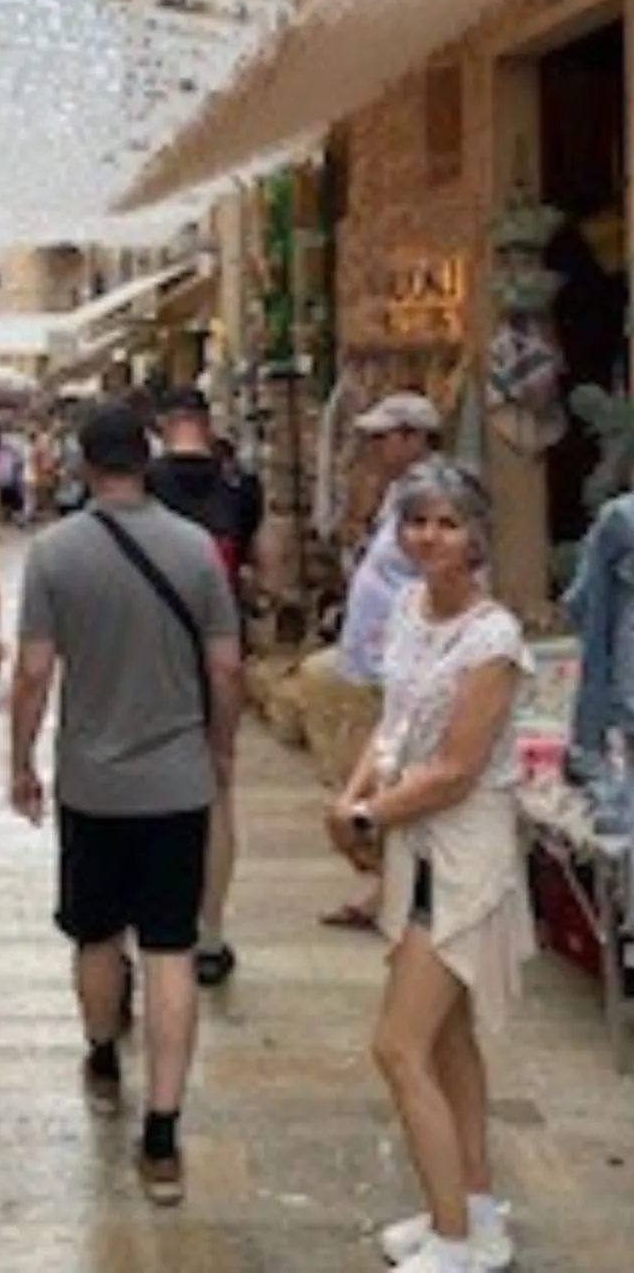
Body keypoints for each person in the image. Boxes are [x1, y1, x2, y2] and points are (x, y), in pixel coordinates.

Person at [10, 401, 243, 1208]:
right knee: (172, 949)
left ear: (81, 464)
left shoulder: (53, 554)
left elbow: (34, 672)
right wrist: (221, 750)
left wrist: (21, 763)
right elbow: (227, 669)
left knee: (97, 935)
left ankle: (104, 1057)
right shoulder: (194, 552)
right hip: (177, 781)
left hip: (92, 784)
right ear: (145, 461)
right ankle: (163, 1138)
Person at [326, 461, 532, 1273]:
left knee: (398, 1046)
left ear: (476, 535)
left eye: (447, 524)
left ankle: (456, 1242)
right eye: (416, 522)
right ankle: (472, 1209)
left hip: (462, 852)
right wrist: (351, 797)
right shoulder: (410, 607)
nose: (429, 538)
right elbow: (394, 725)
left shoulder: (494, 639)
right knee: (447, 1040)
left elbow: (456, 768)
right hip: (412, 844)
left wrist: (370, 814)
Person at [146, 387, 260, 986]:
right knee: (218, 790)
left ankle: (156, 922)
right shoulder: (242, 486)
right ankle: (210, 934)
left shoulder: (143, 485)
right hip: (221, 648)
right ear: (207, 422)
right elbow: (257, 564)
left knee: (145, 792)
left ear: (165, 425)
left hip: (150, 653)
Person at [321, 390, 442, 933]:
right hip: (380, 656)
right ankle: (384, 884)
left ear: (415, 438)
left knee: (391, 770)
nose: (374, 446)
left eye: (384, 436)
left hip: (406, 657)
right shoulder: (399, 492)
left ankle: (392, 886)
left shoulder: (435, 496)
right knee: (375, 767)